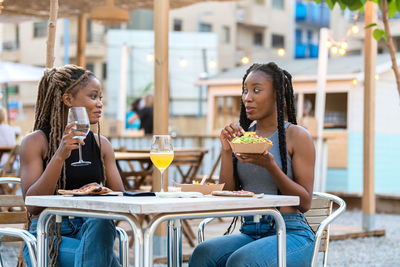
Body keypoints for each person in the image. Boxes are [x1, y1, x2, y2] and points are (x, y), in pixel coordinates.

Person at [189, 62, 316, 267]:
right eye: (245, 91)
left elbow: (304, 202)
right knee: (203, 253)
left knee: (241, 261)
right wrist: (226, 150)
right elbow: (228, 193)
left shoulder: (297, 136)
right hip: (250, 230)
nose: (247, 97)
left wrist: (271, 166)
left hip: (290, 232)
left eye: (256, 90)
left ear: (278, 93)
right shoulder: (244, 138)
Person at [20, 65, 124, 267]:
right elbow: (33, 205)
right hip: (48, 234)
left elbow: (120, 202)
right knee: (107, 262)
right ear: (68, 100)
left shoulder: (103, 145)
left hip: (92, 229)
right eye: (93, 97)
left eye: (100, 97)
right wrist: (59, 155)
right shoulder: (36, 142)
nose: (100, 104)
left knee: (102, 220)